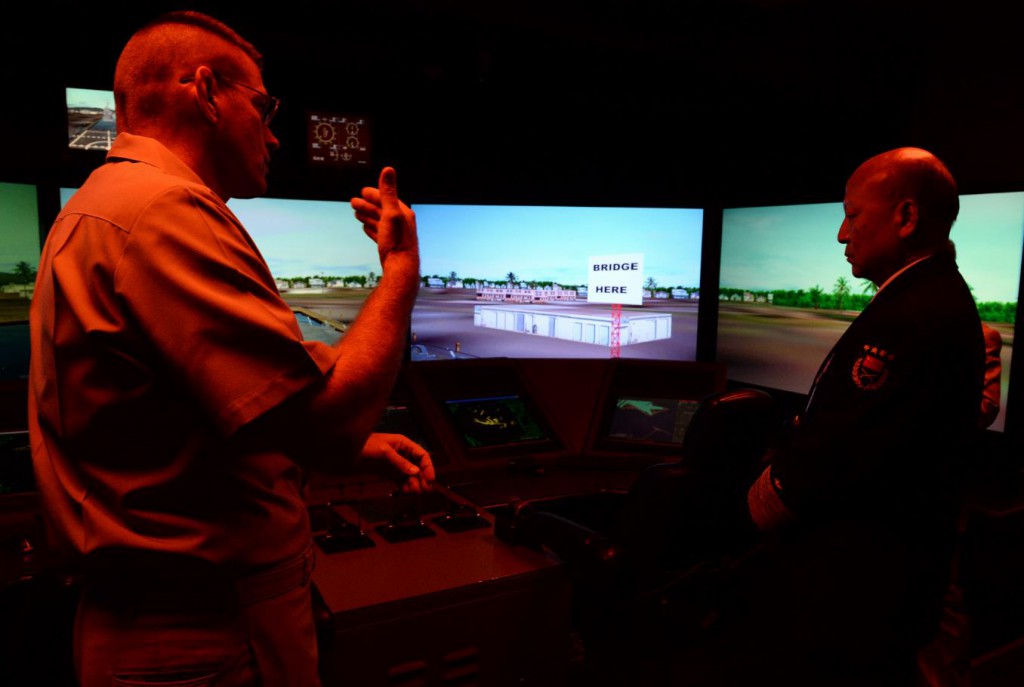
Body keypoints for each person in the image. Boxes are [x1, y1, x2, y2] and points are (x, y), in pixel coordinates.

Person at [28, 10, 430, 687]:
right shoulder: (163, 212)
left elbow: (208, 406)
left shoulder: (111, 202)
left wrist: (353, 446)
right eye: (265, 106)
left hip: (167, 621)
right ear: (207, 92)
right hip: (204, 634)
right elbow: (329, 427)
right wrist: (400, 272)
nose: (275, 133)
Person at [672, 147, 986, 687]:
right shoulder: (927, 297)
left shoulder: (911, 317)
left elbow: (830, 462)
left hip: (857, 589)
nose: (842, 234)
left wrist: (735, 521)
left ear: (905, 218)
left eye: (852, 215)